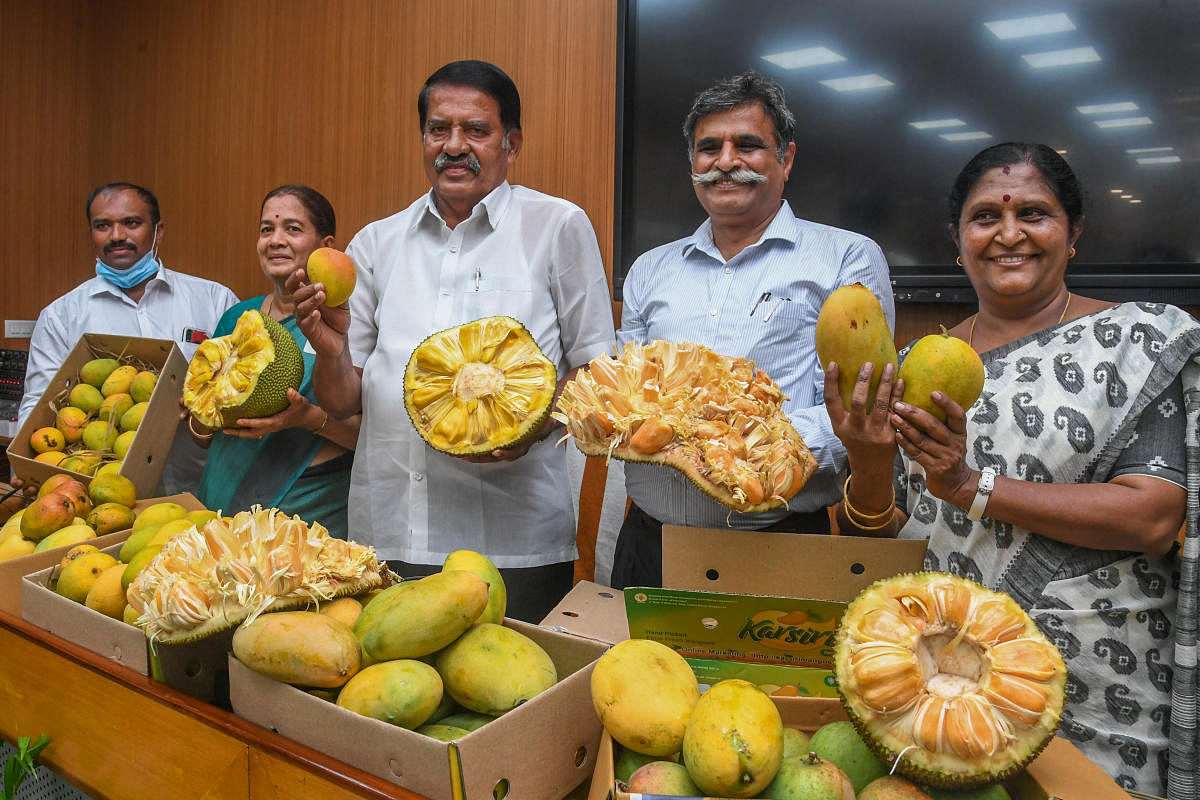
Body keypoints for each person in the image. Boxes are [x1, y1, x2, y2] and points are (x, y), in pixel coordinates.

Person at [823, 142, 1199, 798]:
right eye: (985, 218)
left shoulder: (1137, 342)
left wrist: (973, 487)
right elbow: (890, 545)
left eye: (1034, 213)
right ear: (958, 237)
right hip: (944, 686)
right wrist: (870, 459)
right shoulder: (912, 364)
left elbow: (1152, 515)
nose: (1009, 234)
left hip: (1102, 686)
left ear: (1073, 233)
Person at [289, 60, 615, 622]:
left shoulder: (557, 226)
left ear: (511, 143)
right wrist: (331, 346)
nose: (454, 146)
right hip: (391, 531)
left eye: (477, 131)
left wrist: (537, 427)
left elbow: (597, 372)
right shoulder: (375, 243)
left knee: (515, 695)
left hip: (514, 541)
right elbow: (342, 401)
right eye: (439, 129)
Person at [610, 71, 894, 589]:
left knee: (773, 677)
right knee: (636, 672)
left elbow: (865, 406)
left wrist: (737, 444)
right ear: (692, 164)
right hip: (651, 545)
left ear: (785, 159)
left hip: (781, 545)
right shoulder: (649, 268)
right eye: (708, 148)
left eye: (747, 145)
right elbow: (628, 394)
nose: (725, 162)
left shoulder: (845, 257)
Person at [17, 182, 238, 496]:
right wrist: (28, 465)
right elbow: (37, 404)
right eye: (103, 226)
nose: (117, 236)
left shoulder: (215, 300)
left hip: (202, 489)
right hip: (105, 498)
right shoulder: (61, 315)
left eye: (131, 223)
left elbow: (243, 388)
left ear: (158, 231)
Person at [188, 186, 359, 538]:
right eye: (267, 229)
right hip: (222, 507)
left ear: (325, 246)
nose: (275, 240)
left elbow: (375, 440)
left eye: (293, 229)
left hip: (303, 517)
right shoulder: (237, 316)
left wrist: (307, 418)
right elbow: (205, 436)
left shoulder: (344, 325)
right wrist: (198, 408)